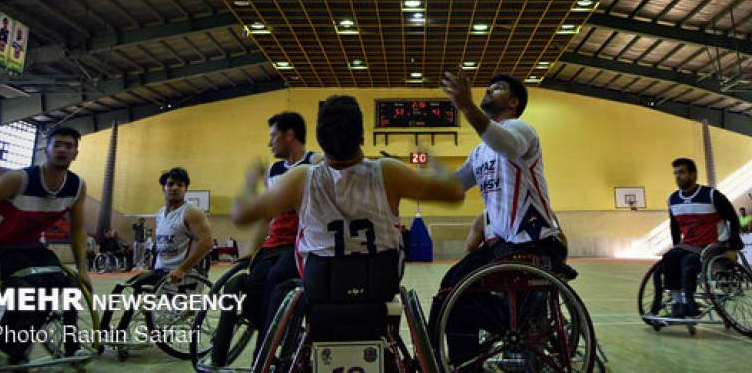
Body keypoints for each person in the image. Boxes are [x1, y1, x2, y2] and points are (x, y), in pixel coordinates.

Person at [232, 95, 464, 339]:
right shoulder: (387, 171)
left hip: (320, 285)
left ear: (320, 140)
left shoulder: (301, 179)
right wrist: (435, 163)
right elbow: (455, 192)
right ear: (362, 137)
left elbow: (241, 214)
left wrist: (250, 183)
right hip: (380, 283)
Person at [428, 72, 566, 363]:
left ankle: (518, 333)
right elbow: (454, 185)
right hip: (501, 246)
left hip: (532, 242)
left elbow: (508, 145)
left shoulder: (522, 130)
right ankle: (454, 360)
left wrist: (466, 106)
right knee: (448, 288)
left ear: (514, 102)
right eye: (487, 89)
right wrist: (416, 177)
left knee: (456, 296)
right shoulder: (479, 151)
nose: (489, 92)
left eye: (497, 89)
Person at [0, 127, 91, 363]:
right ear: (47, 149)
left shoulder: (76, 186)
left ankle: (72, 347)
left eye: (69, 146)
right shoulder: (18, 178)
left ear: (76, 153)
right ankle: (6, 348)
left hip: (30, 245)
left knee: (69, 285)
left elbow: (77, 229)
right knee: (28, 290)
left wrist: (83, 269)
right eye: (58, 144)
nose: (63, 149)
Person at [232, 112, 321, 355]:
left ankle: (265, 350)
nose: (268, 143)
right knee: (250, 284)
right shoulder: (273, 170)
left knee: (276, 278)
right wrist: (249, 251)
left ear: (289, 135)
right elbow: (266, 217)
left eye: (273, 136)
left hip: (300, 244)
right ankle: (275, 333)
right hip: (274, 244)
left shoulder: (314, 162)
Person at [108, 167, 214, 333]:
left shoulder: (191, 212)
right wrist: (151, 267)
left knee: (144, 297)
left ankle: (123, 331)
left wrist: (182, 269)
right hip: (161, 271)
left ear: (186, 189)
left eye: (180, 184)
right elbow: (160, 245)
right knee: (123, 287)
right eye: (170, 184)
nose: (174, 188)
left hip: (184, 273)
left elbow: (207, 243)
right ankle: (110, 331)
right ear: (163, 188)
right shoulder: (160, 214)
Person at [662, 158, 743, 318]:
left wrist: (733, 248)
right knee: (670, 258)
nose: (678, 176)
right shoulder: (673, 199)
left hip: (715, 245)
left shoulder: (712, 195)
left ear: (693, 175)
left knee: (688, 262)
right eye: (676, 173)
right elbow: (675, 226)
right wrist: (677, 246)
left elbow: (733, 218)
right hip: (690, 244)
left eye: (682, 172)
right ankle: (677, 303)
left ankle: (688, 302)